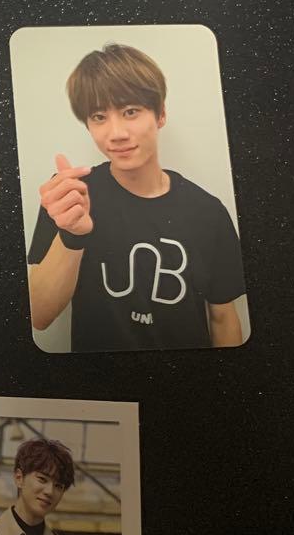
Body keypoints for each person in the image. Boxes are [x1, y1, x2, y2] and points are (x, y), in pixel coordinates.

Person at [27, 43, 246, 352]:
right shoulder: (70, 196)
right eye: (99, 116)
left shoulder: (207, 211)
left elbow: (223, 318)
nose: (116, 133)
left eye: (130, 112)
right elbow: (39, 316)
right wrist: (72, 235)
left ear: (161, 114)